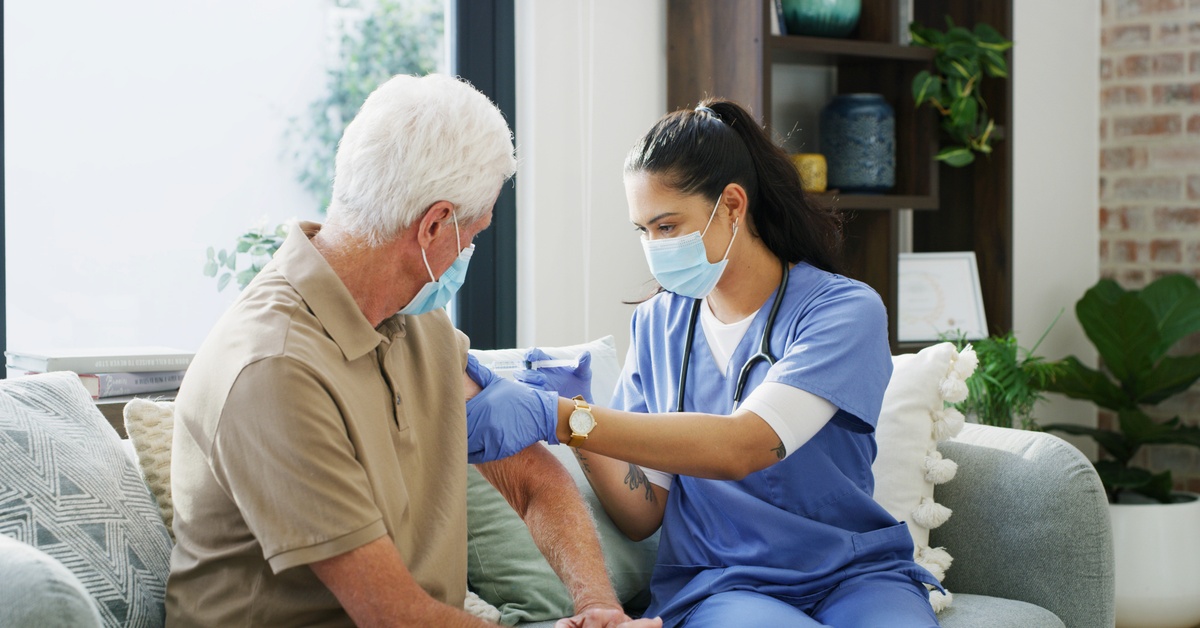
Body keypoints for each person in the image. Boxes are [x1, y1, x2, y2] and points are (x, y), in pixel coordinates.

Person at [167, 73, 658, 628]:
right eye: (472, 236)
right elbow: (393, 616)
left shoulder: (417, 326)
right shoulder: (274, 370)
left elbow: (532, 482)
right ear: (434, 225)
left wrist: (599, 608)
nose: (469, 252)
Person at [511, 99, 942, 627]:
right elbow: (644, 512)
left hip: (855, 576)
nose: (653, 247)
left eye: (667, 226)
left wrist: (560, 417)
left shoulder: (843, 311)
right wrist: (575, 422)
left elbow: (744, 445)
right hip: (725, 581)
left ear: (733, 205)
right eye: (641, 230)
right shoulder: (657, 325)